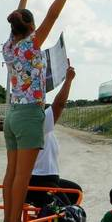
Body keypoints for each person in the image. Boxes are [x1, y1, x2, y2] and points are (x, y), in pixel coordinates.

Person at [2, 0, 74, 222]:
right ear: (31, 27)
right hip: (30, 114)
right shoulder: (32, 44)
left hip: (11, 115)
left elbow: (16, 25)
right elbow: (53, 15)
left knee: (11, 172)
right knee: (23, 175)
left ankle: (7, 221)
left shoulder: (9, 47)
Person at [27, 63, 82, 207]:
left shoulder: (37, 121)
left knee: (75, 191)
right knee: (66, 209)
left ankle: (44, 220)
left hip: (46, 179)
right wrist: (68, 80)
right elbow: (59, 105)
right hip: (40, 181)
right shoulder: (36, 121)